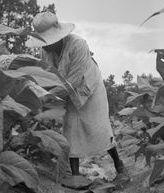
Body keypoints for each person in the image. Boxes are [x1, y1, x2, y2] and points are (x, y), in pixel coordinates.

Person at [26, 11, 129, 181]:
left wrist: (44, 98)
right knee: (70, 128)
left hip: (89, 88)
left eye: (46, 41)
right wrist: (38, 95)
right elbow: (47, 77)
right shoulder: (46, 52)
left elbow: (72, 82)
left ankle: (119, 166)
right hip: (65, 91)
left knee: (100, 127)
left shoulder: (78, 45)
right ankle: (75, 176)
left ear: (58, 37)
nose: (43, 46)